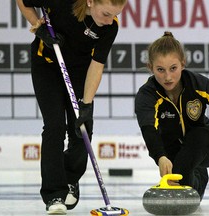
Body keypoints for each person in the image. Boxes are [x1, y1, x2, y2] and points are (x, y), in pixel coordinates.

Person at [16, 0, 127, 214]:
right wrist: (38, 28)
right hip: (46, 66)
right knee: (55, 126)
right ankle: (53, 194)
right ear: (90, 2)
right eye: (105, 13)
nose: (108, 20)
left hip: (80, 72)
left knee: (82, 129)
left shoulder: (110, 26)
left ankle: (69, 178)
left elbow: (97, 64)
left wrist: (86, 104)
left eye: (114, 15)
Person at [135, 31, 209, 200]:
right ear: (150, 68)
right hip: (173, 150)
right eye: (160, 70)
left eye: (173, 68)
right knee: (186, 188)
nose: (167, 77)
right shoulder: (146, 95)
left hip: (206, 145)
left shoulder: (200, 84)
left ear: (183, 64)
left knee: (199, 136)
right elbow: (149, 129)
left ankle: (181, 183)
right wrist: (160, 156)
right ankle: (195, 184)